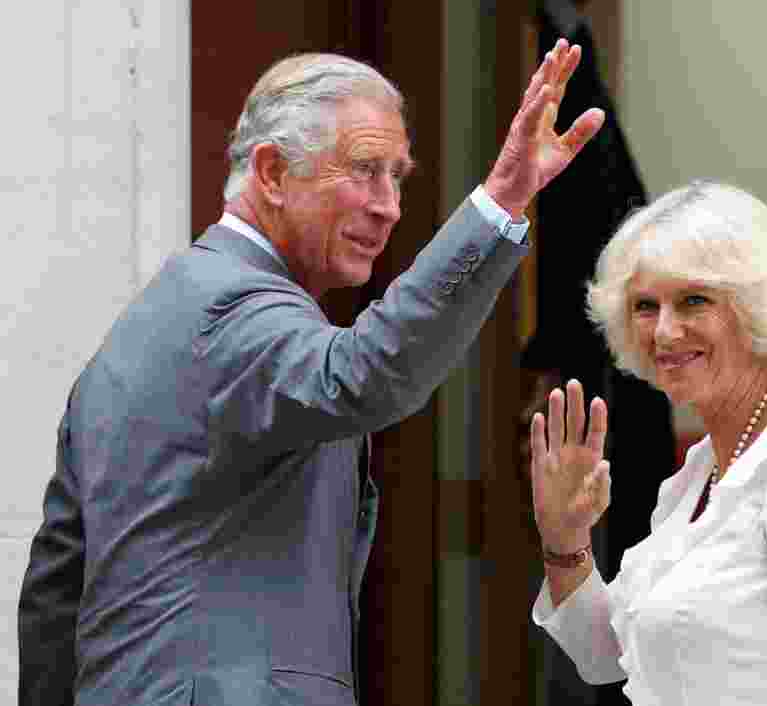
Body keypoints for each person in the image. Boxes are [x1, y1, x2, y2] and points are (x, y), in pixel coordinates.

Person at [18, 40, 604, 706]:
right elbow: (366, 374)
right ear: (271, 173)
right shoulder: (232, 306)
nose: (390, 206)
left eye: (398, 177)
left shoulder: (134, 338)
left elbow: (56, 593)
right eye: (364, 170)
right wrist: (501, 202)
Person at [528, 180, 767, 705]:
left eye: (693, 300)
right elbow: (607, 655)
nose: (664, 332)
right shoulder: (699, 471)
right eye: (645, 306)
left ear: (755, 306)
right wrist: (564, 538)